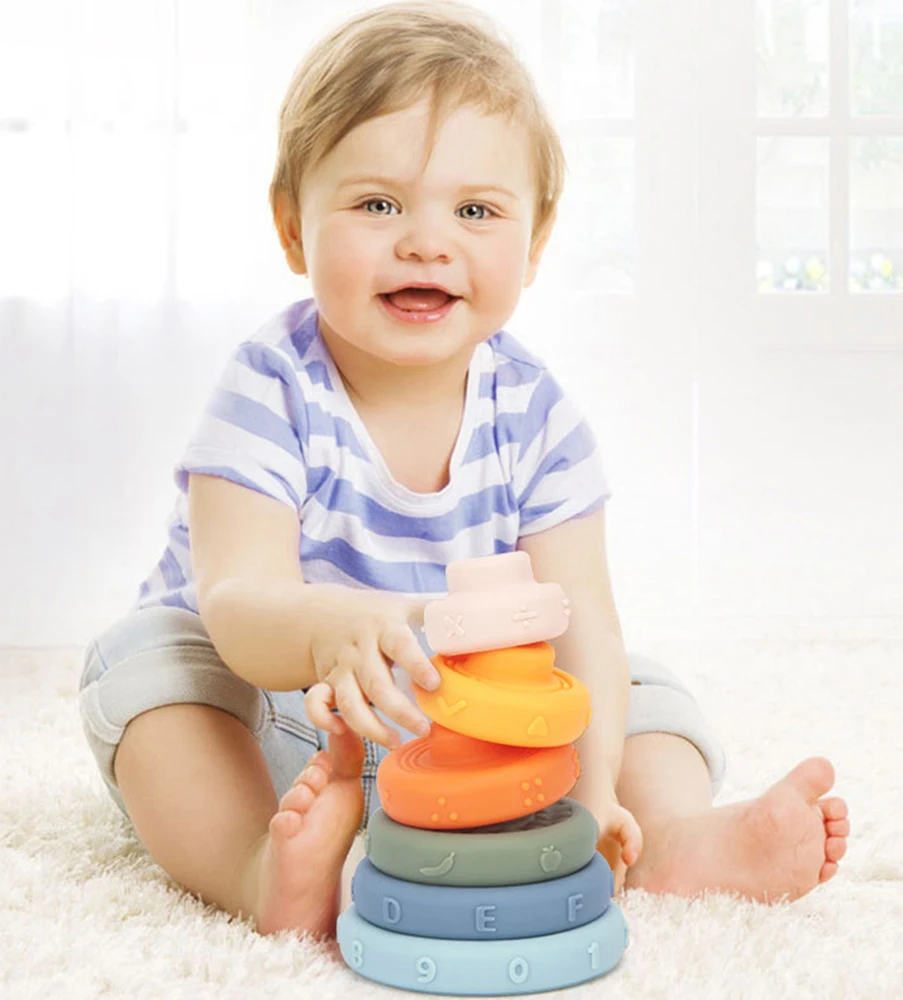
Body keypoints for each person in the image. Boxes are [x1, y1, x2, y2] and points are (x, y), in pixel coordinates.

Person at [78, 0, 849, 941]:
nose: (426, 241)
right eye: (377, 204)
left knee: (637, 689)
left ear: (536, 237)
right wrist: (335, 628)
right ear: (292, 227)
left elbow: (583, 622)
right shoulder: (271, 385)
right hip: (285, 729)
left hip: (486, 745)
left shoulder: (536, 415)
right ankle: (263, 867)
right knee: (146, 669)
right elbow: (235, 600)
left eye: (475, 210)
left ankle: (656, 842)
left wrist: (596, 783)